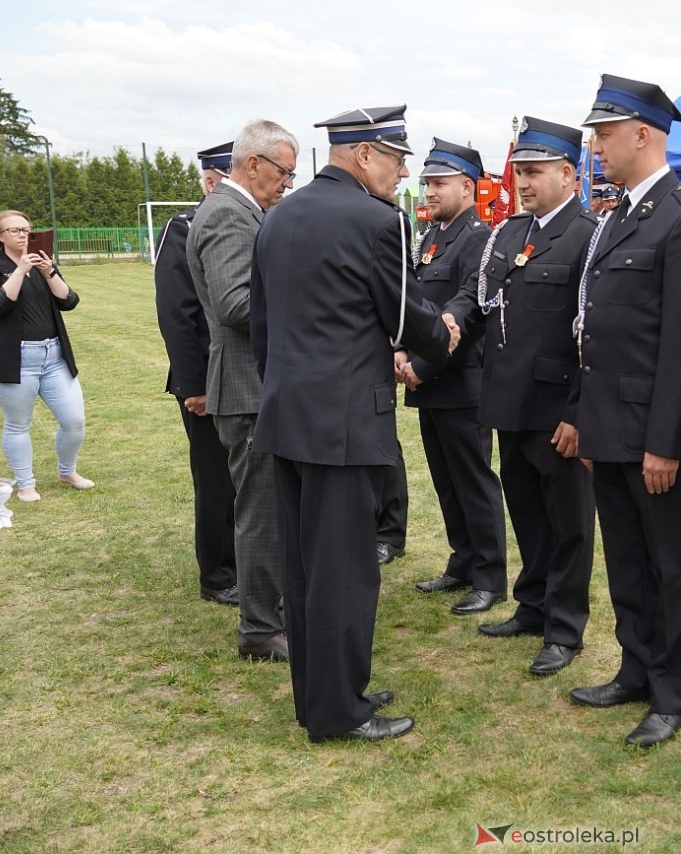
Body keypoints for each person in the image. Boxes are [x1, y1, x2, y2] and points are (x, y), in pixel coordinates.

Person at [249, 105, 458, 743]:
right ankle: (339, 711)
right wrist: (441, 335)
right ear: (365, 155)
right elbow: (401, 314)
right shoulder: (376, 219)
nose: (402, 177)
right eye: (397, 162)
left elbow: (262, 323)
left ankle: (323, 694)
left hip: (288, 414)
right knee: (342, 572)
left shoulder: (280, 214)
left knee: (306, 569)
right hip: (342, 421)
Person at [568, 74, 681, 749]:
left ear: (643, 135)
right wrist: (586, 419)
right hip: (610, 425)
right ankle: (636, 668)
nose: (596, 146)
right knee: (628, 562)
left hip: (656, 434)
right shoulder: (617, 215)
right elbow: (594, 329)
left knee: (673, 567)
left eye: (605, 134)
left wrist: (663, 442)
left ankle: (672, 694)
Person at [445, 116, 599, 676]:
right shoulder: (510, 232)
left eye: (534, 172)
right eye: (518, 173)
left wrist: (580, 411)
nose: (523, 183)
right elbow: (481, 302)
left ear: (568, 173)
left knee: (569, 522)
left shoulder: (589, 233)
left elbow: (595, 331)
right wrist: (448, 326)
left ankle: (565, 626)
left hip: (557, 406)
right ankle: (532, 606)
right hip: (509, 401)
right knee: (528, 512)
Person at [187, 119, 296, 661]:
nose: (287, 185)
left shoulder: (240, 210)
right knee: (261, 513)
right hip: (246, 387)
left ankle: (269, 616)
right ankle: (258, 629)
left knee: (268, 508)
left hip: (250, 384)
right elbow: (235, 304)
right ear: (252, 164)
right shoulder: (230, 213)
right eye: (284, 173)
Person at [403, 139, 508, 616]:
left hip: (461, 381)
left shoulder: (480, 239)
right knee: (446, 479)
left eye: (439, 183)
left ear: (467, 187)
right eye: (427, 183)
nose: (429, 191)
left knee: (473, 481)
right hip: (430, 383)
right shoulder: (430, 238)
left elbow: (465, 313)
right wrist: (401, 351)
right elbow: (414, 305)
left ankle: (490, 576)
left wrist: (419, 367)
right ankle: (462, 561)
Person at [154, 141, 239, 607]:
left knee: (246, 477)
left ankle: (245, 561)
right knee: (215, 478)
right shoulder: (183, 228)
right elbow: (177, 313)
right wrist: (197, 386)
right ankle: (218, 574)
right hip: (206, 379)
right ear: (211, 180)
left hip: (245, 376)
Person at [0, 211, 91, 502]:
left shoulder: (41, 263)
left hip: (54, 357)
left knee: (74, 421)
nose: (23, 235)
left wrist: (49, 271)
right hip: (14, 358)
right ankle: (25, 484)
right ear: (0, 236)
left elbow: (69, 301)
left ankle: (67, 471)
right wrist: (21, 270)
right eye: (15, 230)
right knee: (17, 423)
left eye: (27, 230)